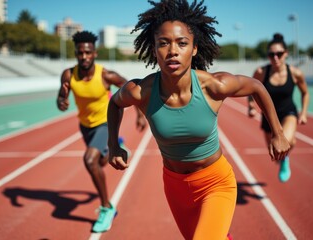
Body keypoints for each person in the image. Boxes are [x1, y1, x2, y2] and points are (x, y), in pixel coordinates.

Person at [107, 1, 290, 239]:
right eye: (163, 43)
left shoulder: (213, 87)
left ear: (194, 48)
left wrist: (278, 133)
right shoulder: (141, 91)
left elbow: (256, 86)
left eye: (182, 43)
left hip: (216, 182)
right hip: (175, 187)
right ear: (154, 49)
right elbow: (114, 103)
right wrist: (113, 145)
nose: (173, 50)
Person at [56, 30, 146, 233]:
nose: (84, 57)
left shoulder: (105, 75)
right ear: (76, 53)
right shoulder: (69, 75)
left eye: (88, 53)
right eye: (80, 53)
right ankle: (117, 146)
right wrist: (62, 100)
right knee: (101, 162)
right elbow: (61, 99)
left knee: (89, 160)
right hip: (85, 126)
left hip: (104, 123)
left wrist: (140, 115)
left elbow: (132, 89)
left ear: (94, 53)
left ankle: (107, 208)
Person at [248, 33, 309, 183]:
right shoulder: (261, 72)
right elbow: (250, 89)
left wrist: (304, 112)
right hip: (268, 116)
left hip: (289, 112)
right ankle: (284, 155)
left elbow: (305, 93)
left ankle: (285, 159)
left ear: (286, 54)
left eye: (279, 54)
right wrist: (250, 106)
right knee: (275, 152)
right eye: (271, 54)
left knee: (284, 142)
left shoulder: (295, 73)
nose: (275, 57)